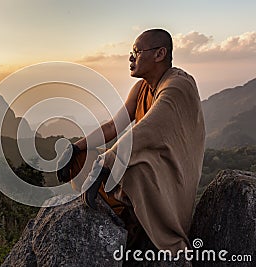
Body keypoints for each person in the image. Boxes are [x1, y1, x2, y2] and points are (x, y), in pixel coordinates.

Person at [57, 29, 205, 263]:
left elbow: (147, 131)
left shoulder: (177, 85)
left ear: (159, 54)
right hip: (144, 166)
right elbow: (113, 126)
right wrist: (76, 147)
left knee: (134, 168)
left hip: (168, 176)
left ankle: (145, 229)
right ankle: (122, 215)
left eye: (136, 51)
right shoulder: (142, 88)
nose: (130, 57)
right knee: (83, 158)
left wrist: (106, 161)